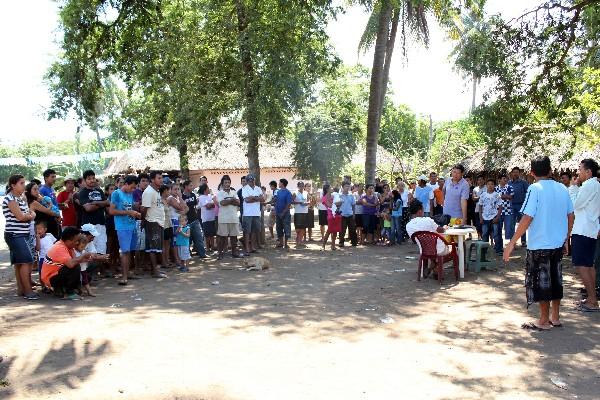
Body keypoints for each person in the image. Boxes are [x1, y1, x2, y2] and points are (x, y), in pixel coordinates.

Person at [504, 156, 574, 331]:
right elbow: (571, 215)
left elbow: (527, 217)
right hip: (557, 243)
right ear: (550, 171)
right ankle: (555, 317)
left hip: (540, 244)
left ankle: (543, 320)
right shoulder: (562, 188)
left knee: (542, 281)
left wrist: (512, 243)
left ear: (531, 173)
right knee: (556, 279)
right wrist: (566, 238)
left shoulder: (534, 188)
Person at [571, 159, 600, 312]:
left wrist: (573, 189)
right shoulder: (596, 185)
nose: (578, 172)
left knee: (582, 265)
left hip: (583, 230)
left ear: (588, 172)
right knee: (589, 265)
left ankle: (592, 300)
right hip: (590, 229)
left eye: (580, 169)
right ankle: (591, 298)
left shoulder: (589, 185)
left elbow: (575, 205)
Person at [3, 175, 38, 300]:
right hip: (15, 234)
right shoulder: (10, 199)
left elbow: (27, 213)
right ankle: (28, 291)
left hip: (21, 233)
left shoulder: (19, 198)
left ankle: (21, 290)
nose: (24, 185)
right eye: (21, 183)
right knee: (26, 261)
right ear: (13, 185)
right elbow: (21, 217)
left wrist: (29, 214)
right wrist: (31, 216)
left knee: (20, 262)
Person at [41, 227, 94, 300]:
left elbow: (75, 260)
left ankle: (61, 289)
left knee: (80, 269)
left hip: (55, 274)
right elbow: (71, 264)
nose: (78, 242)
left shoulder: (68, 246)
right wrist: (83, 256)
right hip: (50, 278)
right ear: (69, 241)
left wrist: (84, 259)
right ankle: (69, 293)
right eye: (77, 240)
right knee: (75, 267)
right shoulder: (59, 248)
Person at [109, 175, 142, 285]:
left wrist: (135, 213)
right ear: (126, 184)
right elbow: (112, 211)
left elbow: (130, 208)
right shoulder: (116, 194)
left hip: (131, 225)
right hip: (122, 227)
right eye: (132, 187)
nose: (133, 190)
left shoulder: (130, 194)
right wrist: (129, 213)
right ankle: (124, 277)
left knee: (130, 251)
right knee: (125, 251)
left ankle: (127, 273)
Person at [406, 199, 451, 273]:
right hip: (438, 249)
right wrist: (445, 227)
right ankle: (435, 265)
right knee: (455, 250)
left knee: (431, 246)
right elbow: (441, 230)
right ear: (420, 211)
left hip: (423, 250)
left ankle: (432, 266)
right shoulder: (427, 220)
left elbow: (415, 240)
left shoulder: (408, 226)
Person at [141, 171, 168, 278]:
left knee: (155, 247)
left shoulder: (156, 191)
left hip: (158, 222)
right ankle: (155, 272)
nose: (161, 180)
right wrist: (144, 220)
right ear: (152, 179)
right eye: (159, 178)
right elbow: (144, 209)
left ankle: (154, 270)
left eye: (162, 178)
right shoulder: (149, 192)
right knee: (153, 248)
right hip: (152, 222)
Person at [78, 170, 109, 256]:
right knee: (89, 251)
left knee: (102, 250)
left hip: (101, 225)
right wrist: (102, 203)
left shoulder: (100, 191)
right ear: (84, 180)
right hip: (89, 226)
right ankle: (90, 269)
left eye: (93, 178)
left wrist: (95, 203)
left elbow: (108, 203)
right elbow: (88, 208)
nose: (92, 180)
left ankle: (100, 269)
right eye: (89, 179)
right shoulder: (82, 193)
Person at [216, 175, 241, 259]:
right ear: (222, 184)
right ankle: (220, 253)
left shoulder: (234, 192)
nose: (227, 184)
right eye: (225, 182)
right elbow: (222, 203)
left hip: (233, 217)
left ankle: (234, 252)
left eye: (228, 182)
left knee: (234, 237)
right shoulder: (219, 193)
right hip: (223, 218)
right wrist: (231, 200)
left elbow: (238, 202)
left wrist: (228, 201)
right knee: (222, 237)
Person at [181, 179, 207, 259]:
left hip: (195, 220)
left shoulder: (193, 195)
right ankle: (187, 255)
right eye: (190, 185)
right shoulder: (181, 197)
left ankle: (202, 254)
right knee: (187, 240)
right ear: (186, 186)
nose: (192, 187)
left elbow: (195, 206)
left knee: (199, 238)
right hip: (186, 221)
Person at [241, 174, 263, 254]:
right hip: (247, 213)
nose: (252, 182)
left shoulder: (258, 188)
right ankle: (247, 247)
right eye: (250, 180)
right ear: (247, 181)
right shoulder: (244, 189)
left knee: (254, 231)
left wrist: (253, 197)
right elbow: (246, 200)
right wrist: (257, 198)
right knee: (247, 232)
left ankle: (253, 247)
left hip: (256, 213)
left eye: (253, 180)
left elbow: (262, 199)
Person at [478, 179, 502, 251]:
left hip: (494, 217)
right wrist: (481, 217)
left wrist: (497, 217)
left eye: (492, 184)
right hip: (485, 218)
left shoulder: (497, 195)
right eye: (488, 184)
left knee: (496, 234)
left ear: (494, 185)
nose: (490, 186)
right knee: (485, 234)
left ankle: (498, 249)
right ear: (486, 185)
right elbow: (480, 206)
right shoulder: (483, 195)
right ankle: (484, 250)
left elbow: (500, 207)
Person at [494, 174, 515, 256]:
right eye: (503, 178)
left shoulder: (510, 187)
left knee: (509, 228)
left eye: (506, 178)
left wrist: (501, 196)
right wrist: (505, 196)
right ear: (499, 180)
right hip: (498, 211)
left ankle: (511, 245)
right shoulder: (495, 188)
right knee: (497, 229)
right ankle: (498, 246)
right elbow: (496, 198)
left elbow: (511, 197)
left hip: (508, 211)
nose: (505, 180)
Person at [509, 167, 529, 247]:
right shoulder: (509, 183)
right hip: (511, 206)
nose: (515, 173)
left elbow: (528, 193)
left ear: (519, 173)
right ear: (511, 173)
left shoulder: (523, 182)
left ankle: (523, 241)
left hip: (521, 205)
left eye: (517, 172)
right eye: (514, 172)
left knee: (522, 224)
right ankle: (512, 241)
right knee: (511, 224)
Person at [39, 168, 61, 237]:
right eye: (52, 177)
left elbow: (54, 203)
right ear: (46, 178)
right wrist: (55, 215)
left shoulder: (52, 189)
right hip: (49, 219)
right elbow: (43, 206)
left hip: (55, 217)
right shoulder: (42, 190)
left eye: (55, 176)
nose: (54, 179)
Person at [321, 184, 342, 250]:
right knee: (329, 230)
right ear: (327, 189)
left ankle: (333, 245)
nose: (332, 188)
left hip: (337, 214)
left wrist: (339, 203)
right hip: (330, 215)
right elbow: (329, 205)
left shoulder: (334, 196)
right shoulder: (324, 197)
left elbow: (338, 204)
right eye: (330, 187)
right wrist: (337, 203)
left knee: (335, 231)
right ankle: (323, 245)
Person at [198, 183, 218, 253]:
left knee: (212, 234)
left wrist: (212, 204)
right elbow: (208, 206)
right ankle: (207, 248)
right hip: (205, 219)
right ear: (204, 190)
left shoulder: (210, 196)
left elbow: (214, 204)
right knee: (207, 235)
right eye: (207, 188)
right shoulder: (201, 197)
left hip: (212, 218)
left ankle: (212, 247)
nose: (209, 189)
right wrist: (213, 204)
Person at [274, 178, 293, 250]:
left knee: (286, 228)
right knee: (278, 228)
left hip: (285, 214)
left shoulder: (288, 192)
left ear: (282, 183)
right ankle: (281, 243)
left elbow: (288, 204)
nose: (278, 184)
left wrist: (283, 212)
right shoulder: (278, 192)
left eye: (279, 182)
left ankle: (286, 243)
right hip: (278, 213)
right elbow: (275, 200)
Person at [338, 181, 357, 247]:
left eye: (348, 186)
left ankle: (354, 242)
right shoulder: (339, 195)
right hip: (342, 215)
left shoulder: (351, 195)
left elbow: (353, 205)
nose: (347, 187)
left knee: (352, 229)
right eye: (346, 186)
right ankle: (341, 242)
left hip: (350, 214)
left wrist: (354, 214)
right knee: (342, 230)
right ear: (342, 187)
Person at [292, 181, 310, 248]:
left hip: (305, 212)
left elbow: (309, 201)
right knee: (298, 228)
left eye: (302, 186)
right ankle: (298, 237)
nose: (301, 187)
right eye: (300, 186)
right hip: (298, 212)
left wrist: (307, 203)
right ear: (298, 186)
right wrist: (299, 203)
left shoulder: (306, 193)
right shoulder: (295, 193)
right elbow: (291, 201)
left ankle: (300, 241)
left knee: (303, 227)